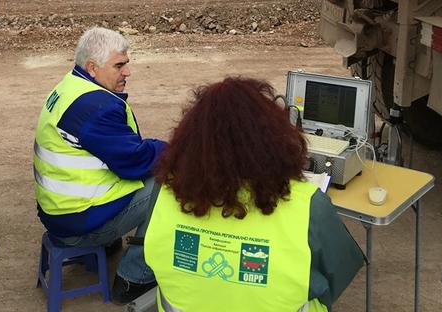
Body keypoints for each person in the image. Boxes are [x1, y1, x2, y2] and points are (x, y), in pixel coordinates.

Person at [144, 77, 364, 312]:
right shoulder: (308, 204)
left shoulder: (165, 192)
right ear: (274, 140)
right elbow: (337, 273)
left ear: (188, 140)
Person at [33, 27, 166, 304]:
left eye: (127, 64)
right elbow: (135, 161)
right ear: (92, 67)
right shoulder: (96, 107)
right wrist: (175, 149)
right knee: (166, 185)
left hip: (58, 211)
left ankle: (106, 244)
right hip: (77, 222)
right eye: (119, 65)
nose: (127, 72)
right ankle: (134, 277)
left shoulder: (71, 86)